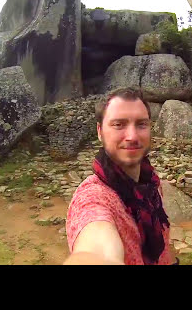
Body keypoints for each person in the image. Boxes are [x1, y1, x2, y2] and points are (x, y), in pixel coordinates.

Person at [63, 87, 175, 265]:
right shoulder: (93, 198)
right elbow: (96, 247)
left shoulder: (151, 184)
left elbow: (164, 243)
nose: (132, 136)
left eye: (141, 124)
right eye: (118, 124)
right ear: (100, 131)